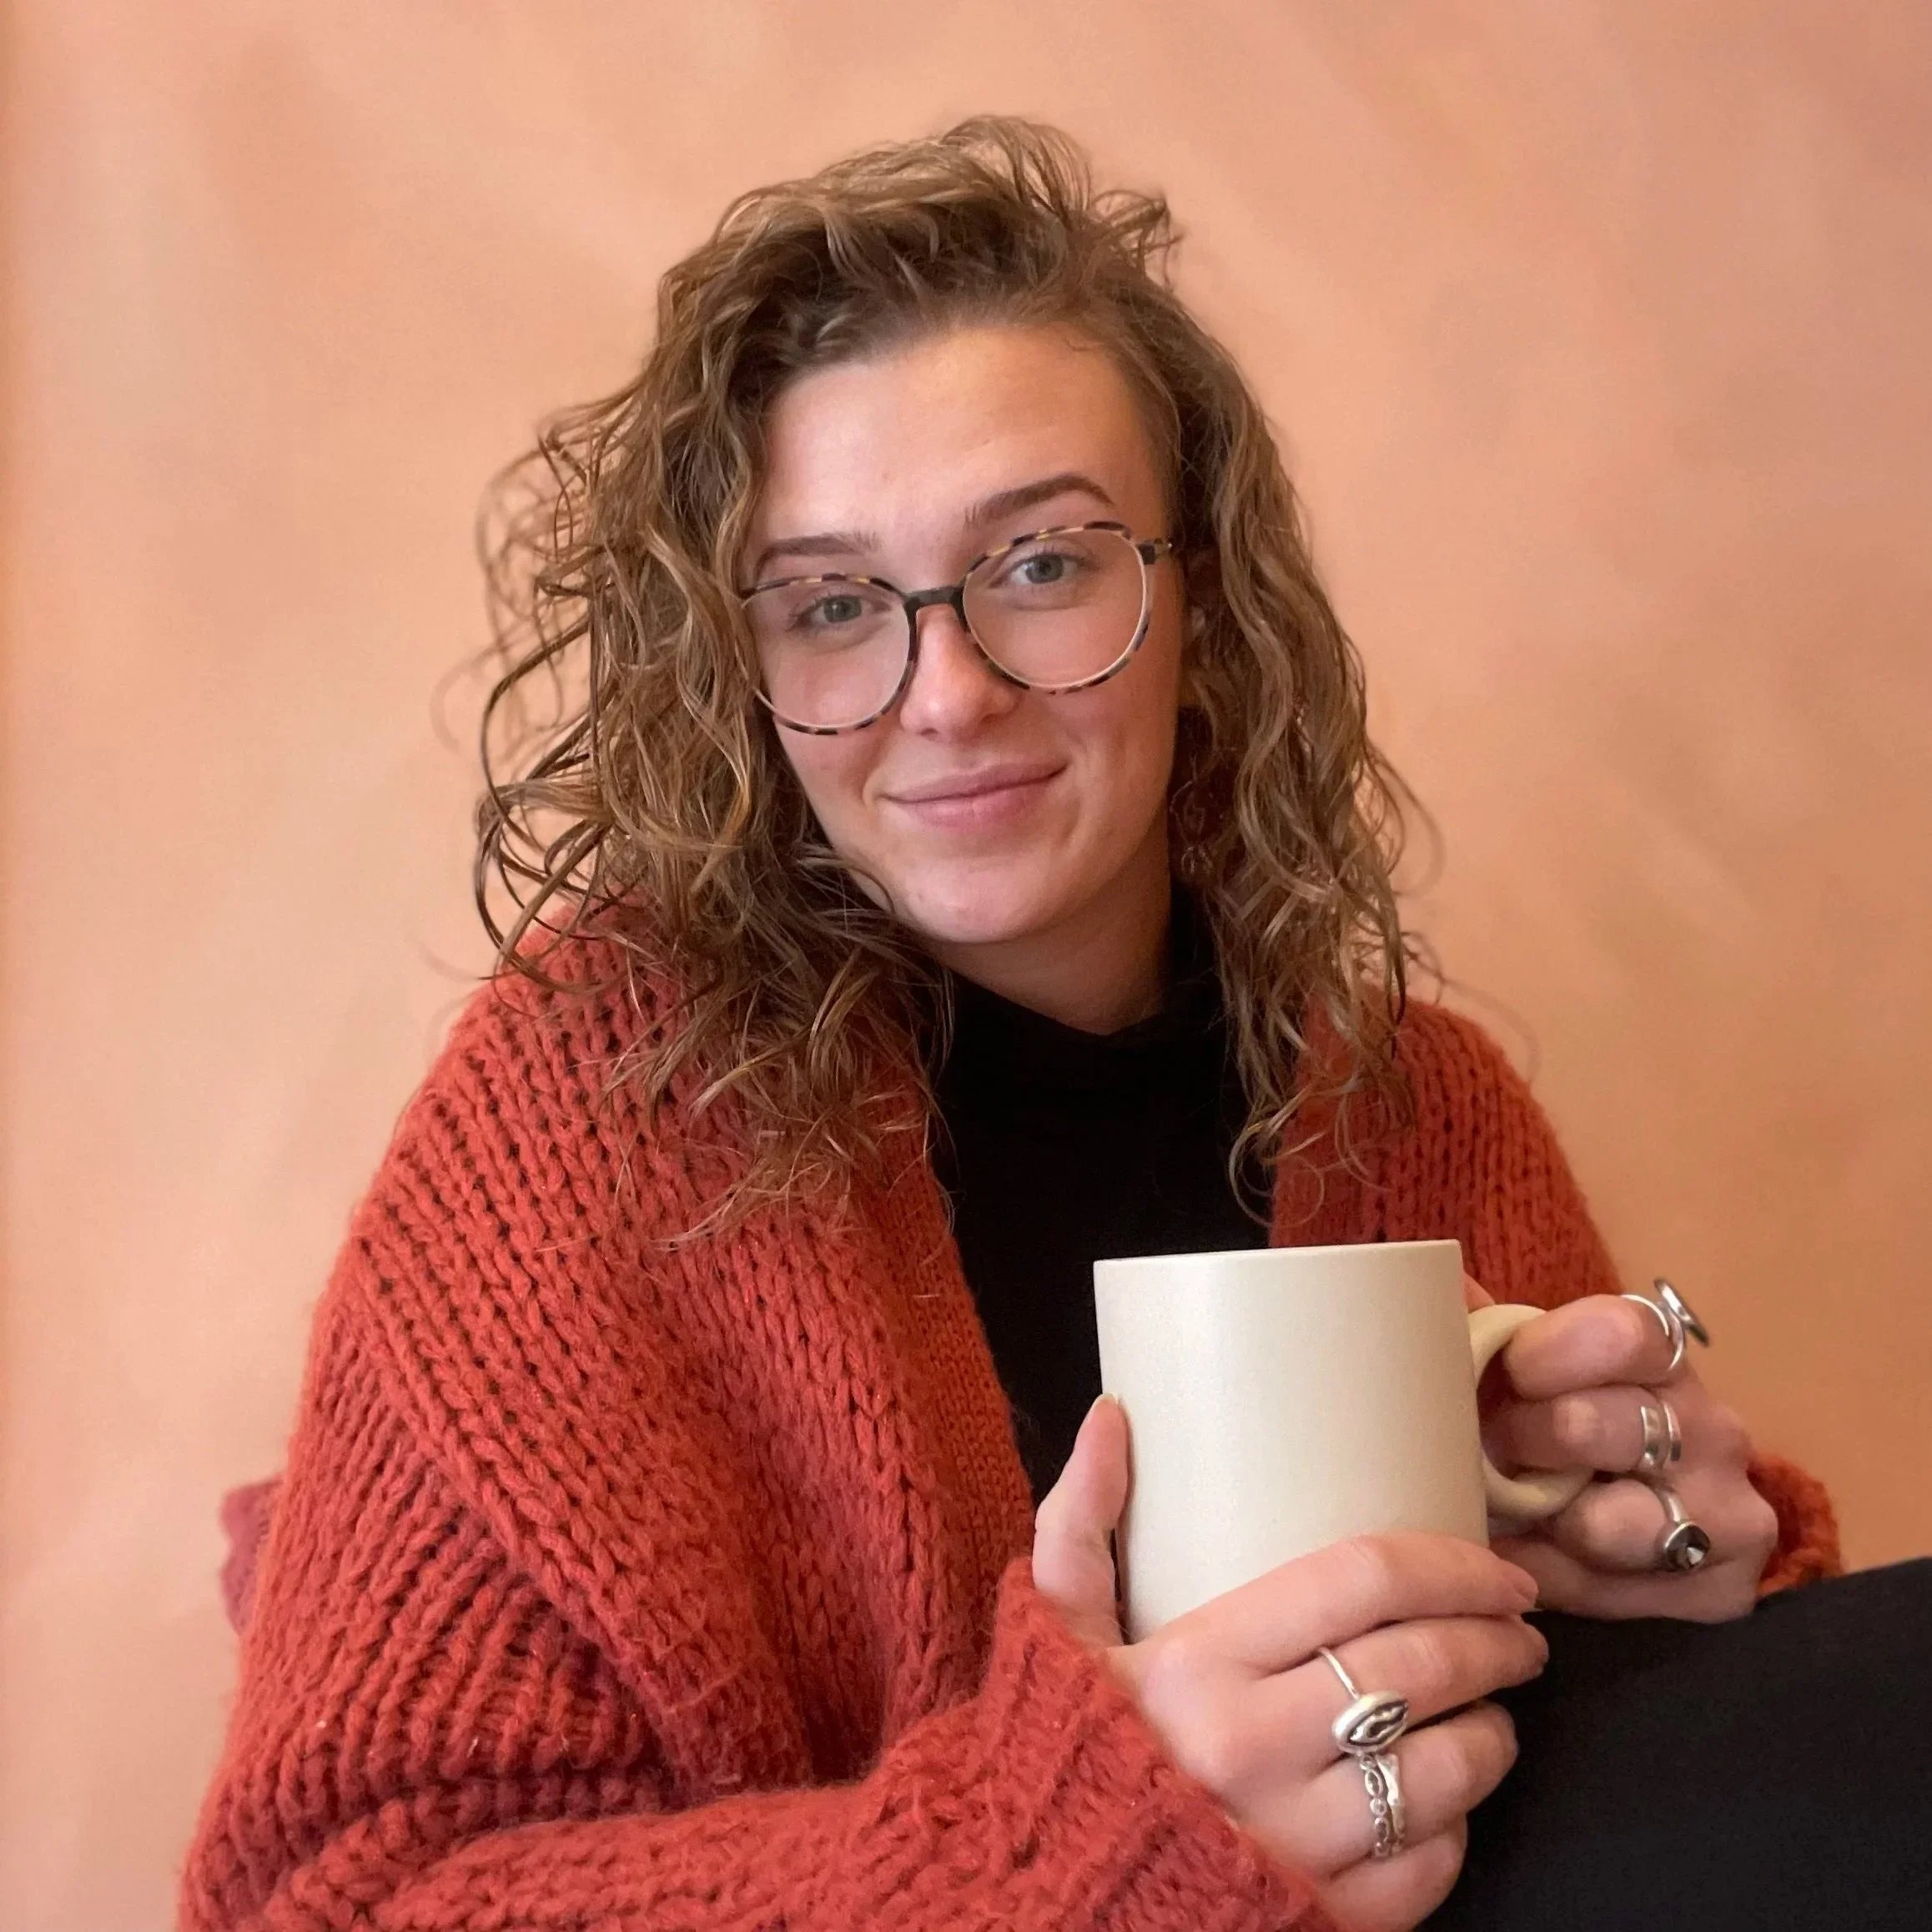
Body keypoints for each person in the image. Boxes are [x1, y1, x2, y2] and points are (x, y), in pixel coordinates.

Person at [180, 119, 1927, 1932]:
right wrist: (1073, 1849)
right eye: (835, 606)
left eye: (1042, 566)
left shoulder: (1422, 1111)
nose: (946, 695)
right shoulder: (589, 1116)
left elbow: (1541, 1753)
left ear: (1204, 600)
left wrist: (1677, 1575)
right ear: (740, 671)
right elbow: (337, 1902)